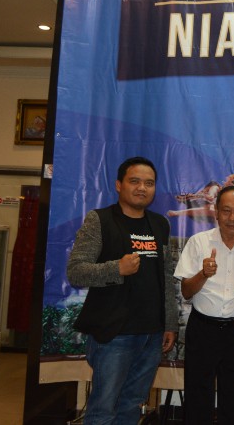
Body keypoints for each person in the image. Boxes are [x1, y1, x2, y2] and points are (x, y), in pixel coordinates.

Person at [66, 156, 177, 425]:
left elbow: (165, 277)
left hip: (151, 334)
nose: (142, 188)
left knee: (132, 405)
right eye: (134, 181)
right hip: (114, 333)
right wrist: (117, 268)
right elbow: (76, 272)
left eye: (149, 183)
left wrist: (169, 323)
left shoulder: (160, 224)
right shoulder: (100, 220)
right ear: (119, 185)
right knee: (103, 409)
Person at [173, 185, 234, 424]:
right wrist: (203, 274)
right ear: (216, 211)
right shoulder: (198, 242)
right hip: (202, 329)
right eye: (226, 210)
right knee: (197, 398)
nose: (232, 218)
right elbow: (186, 291)